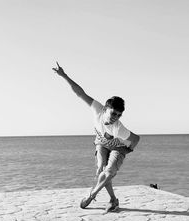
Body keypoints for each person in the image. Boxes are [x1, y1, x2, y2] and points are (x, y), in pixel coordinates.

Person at [52, 62, 140, 211]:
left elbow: (136, 139)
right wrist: (64, 75)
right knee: (101, 170)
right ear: (106, 109)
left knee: (109, 171)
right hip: (100, 142)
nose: (115, 117)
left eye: (119, 115)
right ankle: (113, 200)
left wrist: (127, 150)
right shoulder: (97, 109)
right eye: (113, 113)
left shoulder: (119, 128)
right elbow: (80, 93)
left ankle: (91, 195)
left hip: (118, 146)